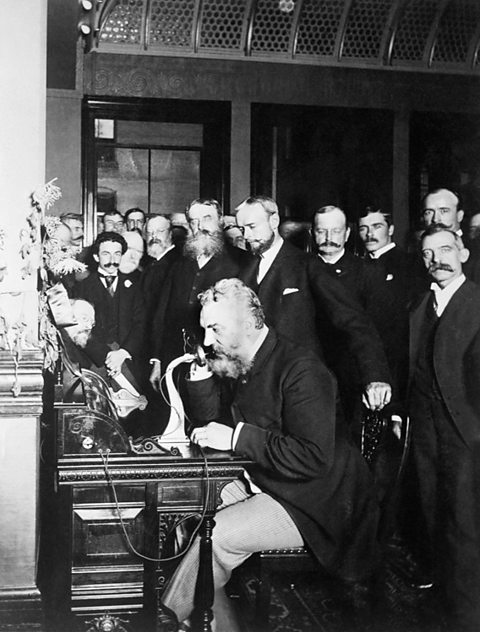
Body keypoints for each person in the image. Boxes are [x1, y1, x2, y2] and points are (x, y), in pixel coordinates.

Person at [160, 278, 379, 630]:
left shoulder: (301, 369)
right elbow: (209, 421)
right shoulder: (244, 358)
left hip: (314, 502)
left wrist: (236, 438)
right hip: (268, 481)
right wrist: (201, 378)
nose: (206, 341)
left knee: (216, 537)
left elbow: (312, 457)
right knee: (185, 502)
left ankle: (166, 618)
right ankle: (214, 620)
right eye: (204, 330)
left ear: (248, 324)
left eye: (215, 328)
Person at [235, 195, 391, 412]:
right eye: (241, 228)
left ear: (274, 221)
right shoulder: (243, 272)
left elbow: (354, 321)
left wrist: (375, 376)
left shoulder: (308, 265)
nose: (246, 235)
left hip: (300, 388)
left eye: (252, 226)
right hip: (259, 390)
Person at [407, 225, 480, 631]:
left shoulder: (476, 301)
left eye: (447, 249)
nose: (439, 259)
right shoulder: (420, 306)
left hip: (466, 432)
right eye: (430, 253)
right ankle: (444, 608)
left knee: (466, 524)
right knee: (434, 518)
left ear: (464, 254)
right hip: (426, 431)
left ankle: (469, 616)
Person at [149, 199, 249, 397]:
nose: (200, 227)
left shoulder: (242, 262)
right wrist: (157, 360)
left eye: (207, 218)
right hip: (175, 356)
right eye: (194, 221)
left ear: (220, 220)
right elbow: (162, 312)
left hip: (219, 358)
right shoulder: (178, 262)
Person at [358, 206, 416, 405]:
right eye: (363, 228)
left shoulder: (409, 264)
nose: (369, 234)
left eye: (376, 226)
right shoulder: (358, 267)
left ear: (390, 229)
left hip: (397, 362)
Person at [72, 231, 145, 384]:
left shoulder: (135, 287)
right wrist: (108, 357)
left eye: (117, 254)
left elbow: (141, 324)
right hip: (93, 363)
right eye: (106, 254)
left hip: (128, 362)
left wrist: (123, 353)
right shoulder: (81, 288)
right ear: (96, 257)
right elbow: (77, 329)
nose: (112, 260)